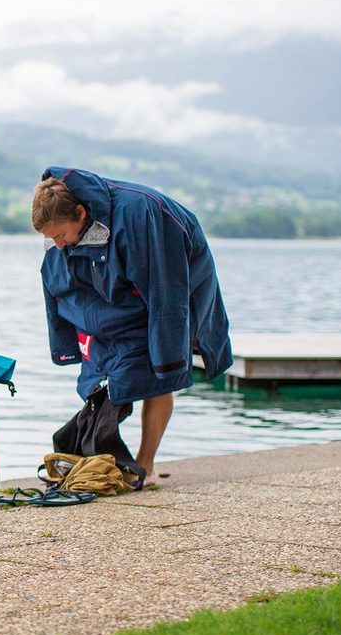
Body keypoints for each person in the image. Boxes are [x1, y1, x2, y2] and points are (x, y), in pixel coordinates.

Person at [32, 166, 232, 486]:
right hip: (117, 285)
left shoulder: (141, 215)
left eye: (60, 235)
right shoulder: (62, 232)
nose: (57, 245)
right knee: (104, 365)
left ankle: (146, 464)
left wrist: (170, 355)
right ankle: (108, 456)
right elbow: (61, 288)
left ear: (81, 214)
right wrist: (70, 341)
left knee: (159, 368)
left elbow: (166, 295)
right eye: (50, 238)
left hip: (173, 277)